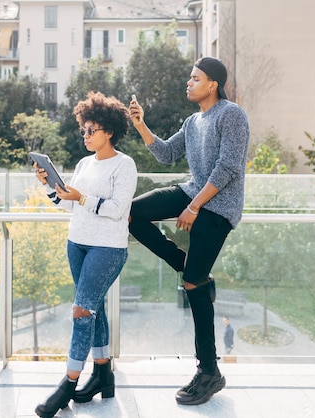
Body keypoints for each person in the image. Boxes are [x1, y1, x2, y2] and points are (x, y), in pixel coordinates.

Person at [128, 56, 249, 406]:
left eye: (195, 78)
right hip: (193, 191)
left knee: (194, 284)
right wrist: (140, 124)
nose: (189, 82)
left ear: (212, 84)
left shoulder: (232, 114)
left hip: (218, 206)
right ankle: (182, 261)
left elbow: (228, 167)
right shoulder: (193, 120)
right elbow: (166, 154)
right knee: (132, 213)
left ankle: (208, 371)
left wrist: (195, 206)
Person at [34, 91, 137, 418]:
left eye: (91, 130)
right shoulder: (83, 163)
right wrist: (51, 186)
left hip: (108, 249)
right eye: (84, 130)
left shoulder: (124, 165)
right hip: (77, 243)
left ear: (108, 131)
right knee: (94, 309)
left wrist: (82, 198)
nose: (86, 135)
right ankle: (103, 376)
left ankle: (67, 384)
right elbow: (67, 203)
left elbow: (119, 210)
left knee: (81, 311)